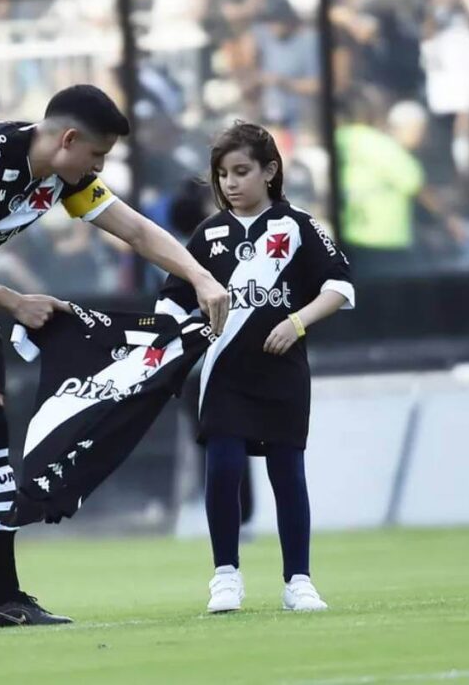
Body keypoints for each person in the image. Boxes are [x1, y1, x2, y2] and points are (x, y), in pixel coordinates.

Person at [0, 85, 229, 633]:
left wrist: (199, 276)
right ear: (68, 139)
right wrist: (15, 303)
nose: (98, 168)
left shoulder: (61, 178)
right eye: (96, 156)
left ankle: (3, 598)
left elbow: (134, 229)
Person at [156, 122, 355, 614]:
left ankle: (299, 581)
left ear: (270, 171)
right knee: (223, 469)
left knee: (288, 475)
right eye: (222, 174)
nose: (231, 183)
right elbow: (172, 300)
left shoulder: (299, 227)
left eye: (242, 171)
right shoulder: (209, 235)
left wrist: (298, 322)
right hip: (223, 375)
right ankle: (225, 576)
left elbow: (342, 288)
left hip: (282, 374)